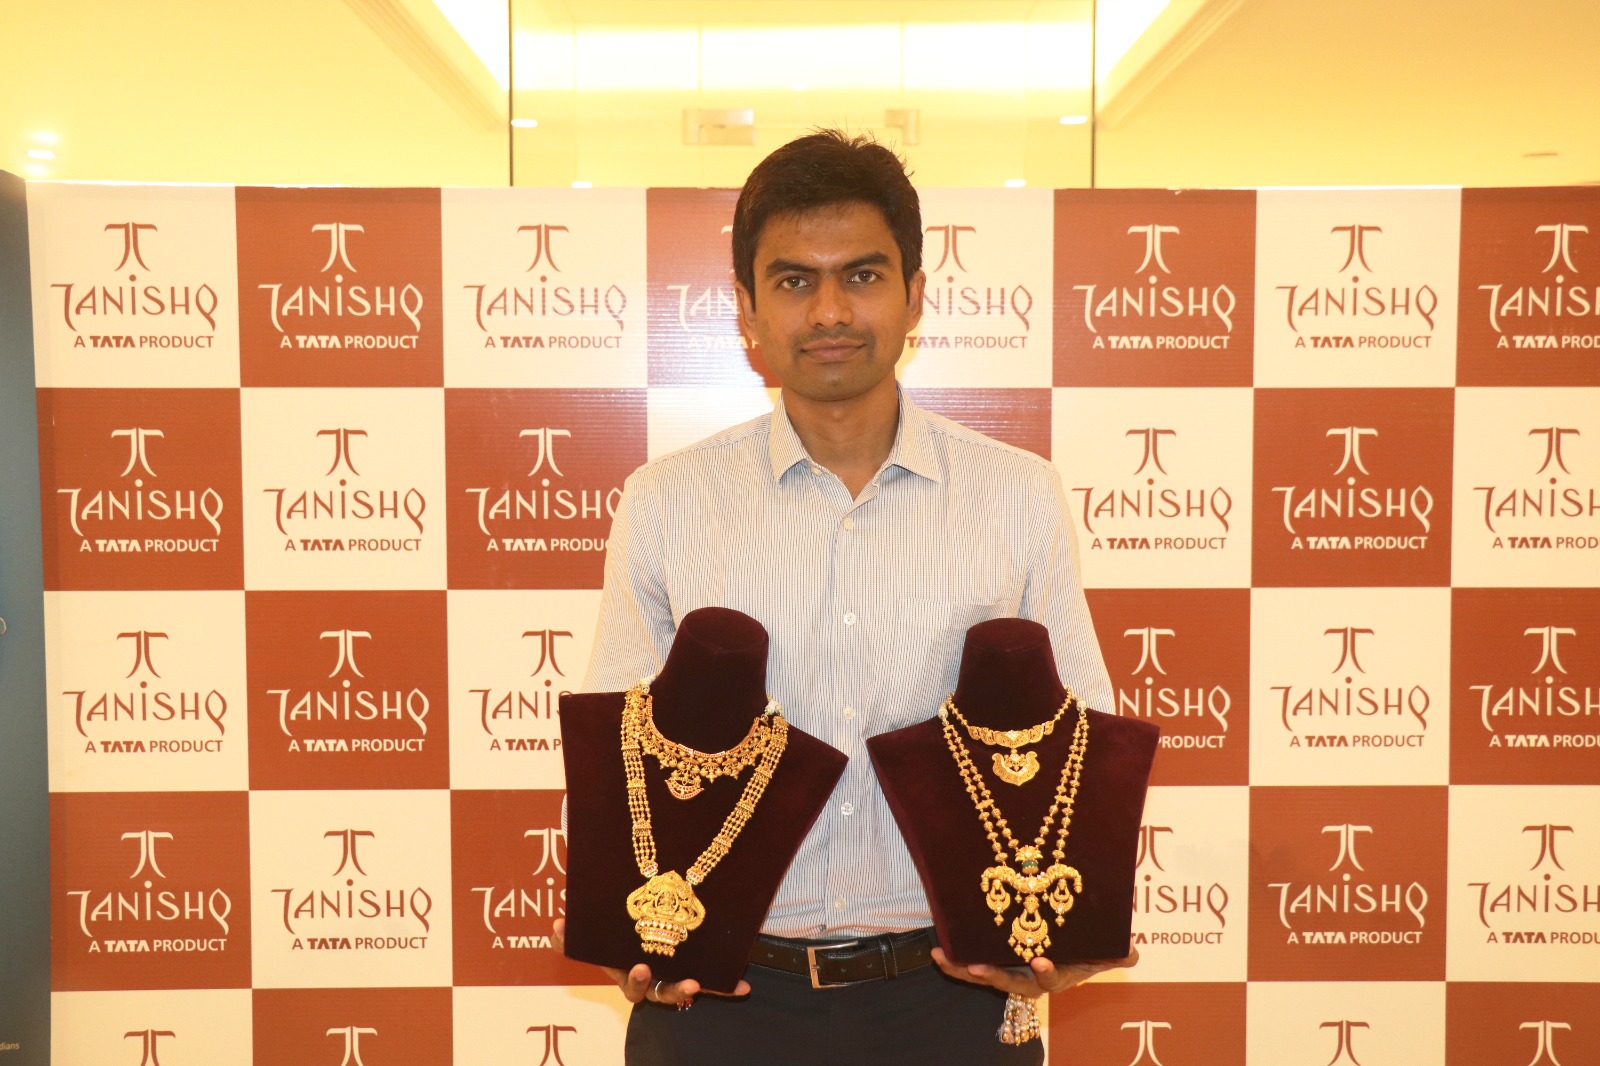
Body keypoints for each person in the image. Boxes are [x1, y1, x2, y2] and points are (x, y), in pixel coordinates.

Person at [558, 129, 1132, 1065]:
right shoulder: (667, 501)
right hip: (720, 1001)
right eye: (794, 281)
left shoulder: (1016, 494)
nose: (830, 311)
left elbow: (1083, 730)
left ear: (915, 294)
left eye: (862, 276)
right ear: (747, 309)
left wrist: (1077, 930)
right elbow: (620, 748)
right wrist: (629, 934)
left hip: (954, 1000)